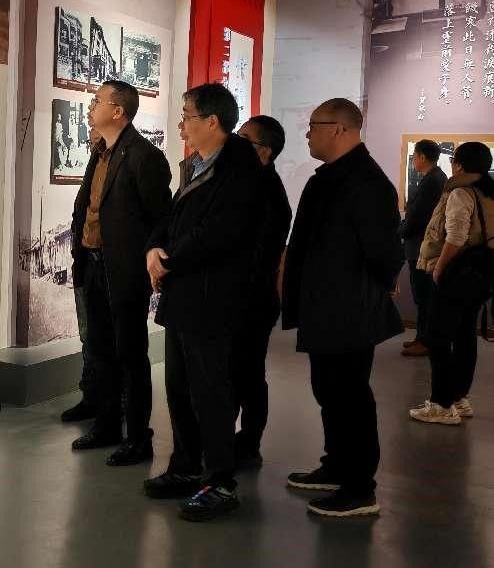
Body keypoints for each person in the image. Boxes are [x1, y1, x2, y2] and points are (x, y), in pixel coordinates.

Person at [143, 84, 266, 522]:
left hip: (213, 299)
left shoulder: (240, 169)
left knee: (211, 393)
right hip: (184, 296)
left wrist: (168, 260)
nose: (181, 125)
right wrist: (154, 247)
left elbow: (219, 234)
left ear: (212, 122)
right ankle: (186, 466)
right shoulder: (196, 164)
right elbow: (170, 217)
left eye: (188, 116)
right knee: (179, 388)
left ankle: (220, 481)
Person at [282, 98, 403, 518]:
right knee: (329, 391)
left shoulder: (367, 182)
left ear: (339, 129)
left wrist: (374, 287)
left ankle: (359, 487)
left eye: (314, 125)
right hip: (326, 305)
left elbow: (385, 252)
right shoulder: (331, 178)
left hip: (349, 308)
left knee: (350, 396)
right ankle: (336, 465)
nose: (307, 133)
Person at [70, 80, 172, 465]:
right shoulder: (100, 153)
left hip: (124, 272)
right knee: (100, 351)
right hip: (94, 265)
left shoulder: (145, 157)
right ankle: (107, 424)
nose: (91, 105)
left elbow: (161, 218)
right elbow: (88, 209)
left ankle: (138, 437)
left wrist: (148, 257)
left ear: (117, 111)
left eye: (97, 100)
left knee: (130, 355)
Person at [410, 141, 494, 425]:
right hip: (482, 273)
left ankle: (441, 404)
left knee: (438, 337)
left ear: (459, 165)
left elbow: (456, 236)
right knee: (465, 334)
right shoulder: (488, 192)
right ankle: (459, 397)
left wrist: (440, 268)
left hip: (457, 273)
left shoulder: (460, 192)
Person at [233, 115, 292, 469]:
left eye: (245, 139)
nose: (235, 144)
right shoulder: (247, 183)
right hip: (241, 296)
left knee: (248, 374)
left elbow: (254, 253)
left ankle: (249, 442)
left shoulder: (267, 192)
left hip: (251, 299)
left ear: (264, 151)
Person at [61, 128, 105, 423]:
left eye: (95, 110)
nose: (90, 124)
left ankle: (113, 403)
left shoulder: (133, 159)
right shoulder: (95, 160)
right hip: (86, 262)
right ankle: (91, 396)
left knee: (104, 339)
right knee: (88, 335)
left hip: (105, 264)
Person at [398, 140, 447, 357]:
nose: (413, 161)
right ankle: (421, 337)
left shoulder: (432, 181)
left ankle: (426, 341)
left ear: (422, 157)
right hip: (421, 246)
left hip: (422, 248)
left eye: (414, 157)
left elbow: (417, 217)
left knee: (424, 296)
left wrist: (398, 231)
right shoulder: (435, 178)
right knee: (423, 296)